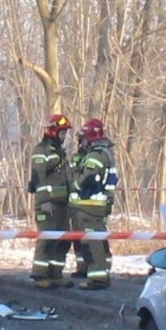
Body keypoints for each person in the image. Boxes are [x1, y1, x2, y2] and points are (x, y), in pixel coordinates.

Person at [69, 117, 118, 290]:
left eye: (83, 138)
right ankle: (98, 272)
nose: (81, 142)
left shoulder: (95, 157)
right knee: (95, 240)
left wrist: (73, 184)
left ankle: (98, 278)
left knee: (93, 242)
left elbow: (86, 181)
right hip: (93, 207)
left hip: (90, 207)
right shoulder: (104, 154)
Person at [29, 114, 75, 289]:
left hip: (62, 205)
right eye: (63, 133)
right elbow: (38, 178)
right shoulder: (42, 150)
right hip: (47, 205)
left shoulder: (59, 152)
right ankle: (40, 275)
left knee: (63, 240)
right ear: (54, 131)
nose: (65, 136)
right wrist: (43, 202)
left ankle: (55, 274)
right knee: (47, 240)